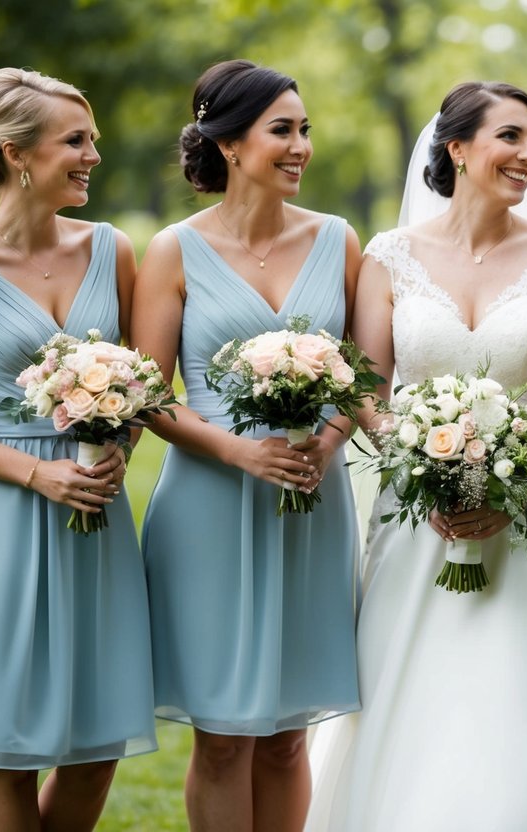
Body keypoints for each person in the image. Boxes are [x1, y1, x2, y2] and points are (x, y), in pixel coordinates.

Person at [306, 81, 527, 831]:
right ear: (456, 148)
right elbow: (366, 385)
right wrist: (419, 467)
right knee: (420, 714)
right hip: (419, 521)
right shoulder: (388, 257)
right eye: (509, 137)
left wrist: (524, 481)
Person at [0, 68, 155, 830]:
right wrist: (36, 471)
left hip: (96, 514)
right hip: (5, 513)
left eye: (93, 141)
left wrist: (122, 440)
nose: (92, 156)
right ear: (16, 153)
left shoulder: (112, 250)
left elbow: (143, 380)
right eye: (75, 141)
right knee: (7, 745)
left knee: (97, 740)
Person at [131, 59, 362, 831]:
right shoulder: (173, 249)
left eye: (305, 131)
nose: (301, 146)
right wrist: (238, 452)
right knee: (225, 737)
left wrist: (327, 443)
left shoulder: (337, 240)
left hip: (310, 499)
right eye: (282, 130)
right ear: (229, 144)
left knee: (289, 739)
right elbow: (148, 393)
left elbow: (364, 370)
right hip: (209, 503)